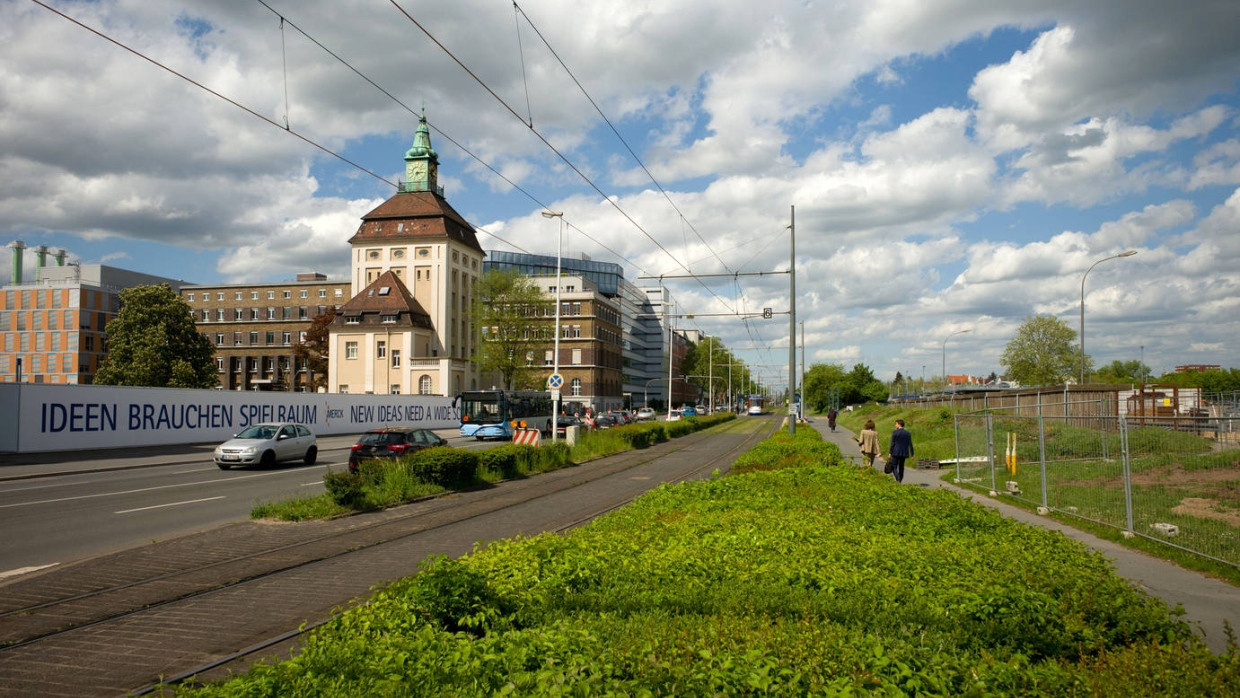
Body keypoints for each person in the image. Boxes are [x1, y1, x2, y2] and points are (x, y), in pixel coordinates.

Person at [885, 418, 914, 483]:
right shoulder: (907, 433)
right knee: (901, 467)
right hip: (904, 453)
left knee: (894, 466)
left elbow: (893, 443)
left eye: (896, 424)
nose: (895, 425)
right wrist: (912, 454)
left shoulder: (895, 432)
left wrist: (890, 453)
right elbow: (910, 444)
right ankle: (900, 480)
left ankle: (897, 478)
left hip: (895, 452)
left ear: (899, 424)